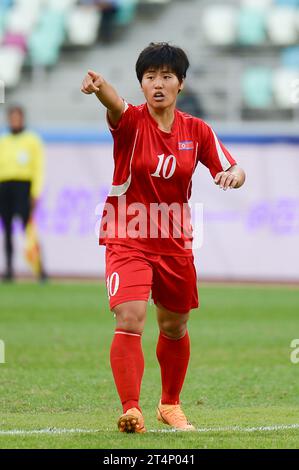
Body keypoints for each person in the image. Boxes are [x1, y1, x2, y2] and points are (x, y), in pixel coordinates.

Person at [81, 42, 245, 433]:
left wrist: (233, 177)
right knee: (130, 317)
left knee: (174, 327)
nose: (158, 83)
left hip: (173, 239)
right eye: (150, 76)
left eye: (166, 76)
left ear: (180, 84)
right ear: (141, 84)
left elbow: (235, 168)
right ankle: (132, 409)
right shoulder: (131, 121)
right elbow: (113, 104)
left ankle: (169, 404)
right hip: (128, 233)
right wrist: (100, 85)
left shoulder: (197, 130)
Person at [0, 105, 47, 282]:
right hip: (4, 187)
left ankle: (39, 269)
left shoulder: (32, 140)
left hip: (23, 187)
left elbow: (38, 168)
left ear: (22, 119)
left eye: (17, 118)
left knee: (29, 230)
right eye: (12, 118)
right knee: (7, 231)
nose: (15, 121)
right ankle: (9, 269)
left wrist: (35, 192)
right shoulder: (3, 141)